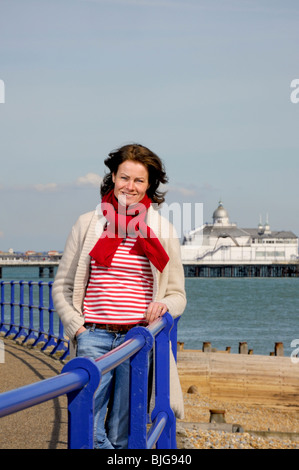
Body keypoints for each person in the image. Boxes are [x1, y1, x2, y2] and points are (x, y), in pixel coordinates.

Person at [52, 143, 186, 449]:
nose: (131, 186)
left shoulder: (162, 230)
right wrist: (78, 328)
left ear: (150, 184)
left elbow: (178, 294)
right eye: (125, 177)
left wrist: (164, 303)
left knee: (124, 429)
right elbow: (61, 286)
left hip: (136, 342)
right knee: (87, 422)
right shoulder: (89, 224)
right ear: (113, 176)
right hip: (94, 337)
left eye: (139, 180)